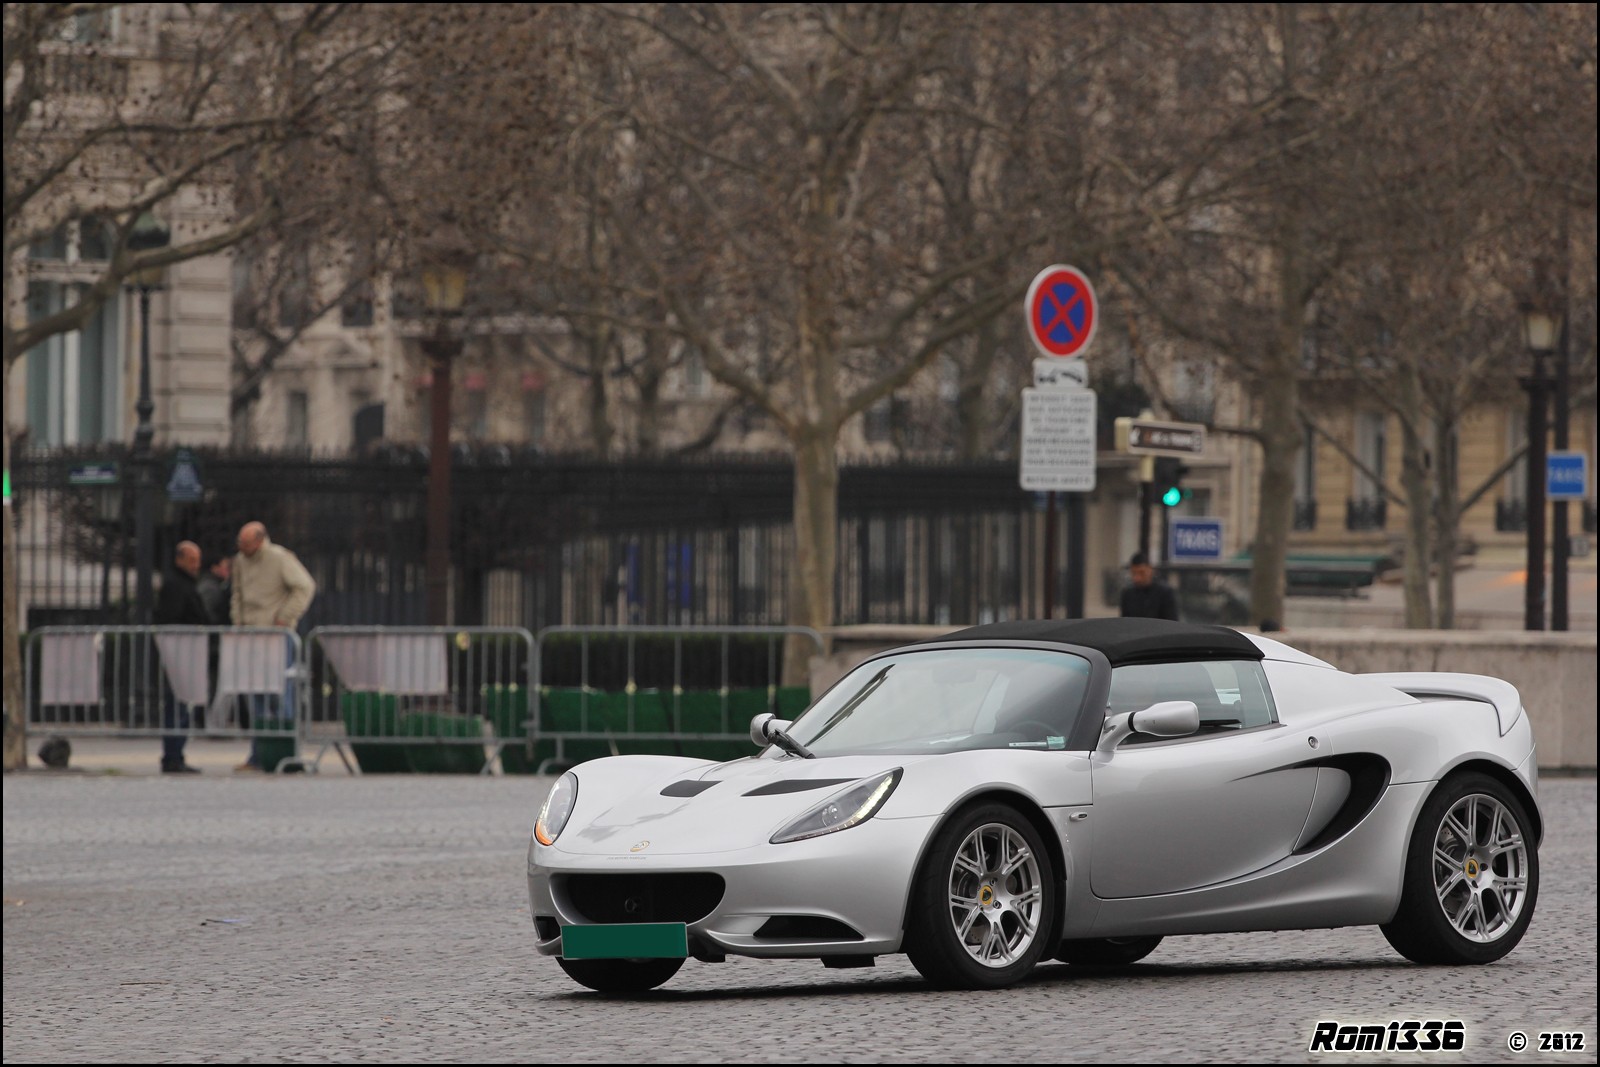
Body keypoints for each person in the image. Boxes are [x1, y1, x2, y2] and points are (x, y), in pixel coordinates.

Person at [231, 522, 316, 772]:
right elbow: (237, 594)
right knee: (256, 697)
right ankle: (259, 755)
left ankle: (285, 753)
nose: (242, 548)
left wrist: (285, 618)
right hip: (250, 636)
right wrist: (238, 621)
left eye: (246, 544)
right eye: (240, 543)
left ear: (260, 540)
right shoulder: (240, 561)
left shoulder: (280, 558)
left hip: (276, 636)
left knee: (279, 695)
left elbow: (305, 586)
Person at [154, 540, 210, 773]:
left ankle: (175, 754)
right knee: (178, 705)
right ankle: (173, 755)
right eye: (191, 560)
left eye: (198, 560)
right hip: (181, 652)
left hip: (186, 651)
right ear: (179, 560)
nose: (196, 565)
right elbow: (175, 616)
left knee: (181, 704)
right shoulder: (177, 585)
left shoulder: (183, 582)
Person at [1119, 552, 1180, 621]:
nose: (1137, 578)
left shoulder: (1165, 593)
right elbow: (1124, 622)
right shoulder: (1128, 594)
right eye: (1134, 573)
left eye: (1141, 572)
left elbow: (1172, 622)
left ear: (1150, 569)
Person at [197, 552, 231, 625]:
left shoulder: (215, 585)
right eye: (226, 567)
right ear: (215, 568)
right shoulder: (210, 587)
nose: (229, 571)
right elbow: (207, 611)